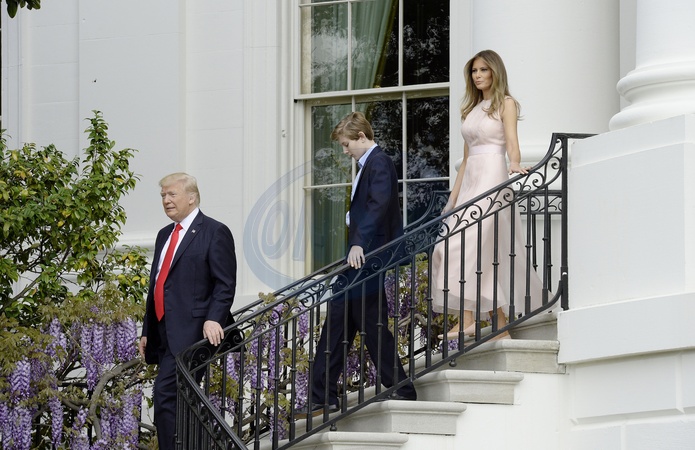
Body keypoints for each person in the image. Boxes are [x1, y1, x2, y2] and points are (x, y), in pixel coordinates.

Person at [298, 112, 417, 418]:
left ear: (361, 137)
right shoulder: (368, 165)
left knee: (371, 324)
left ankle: (400, 388)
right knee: (340, 320)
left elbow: (378, 205)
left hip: (368, 256)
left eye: (346, 144)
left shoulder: (379, 162)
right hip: (360, 258)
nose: (344, 150)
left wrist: (359, 243)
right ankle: (322, 395)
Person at [431, 50, 544, 340]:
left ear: (495, 72)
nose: (478, 75)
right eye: (474, 71)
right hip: (471, 179)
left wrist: (514, 164)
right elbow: (466, 159)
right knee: (454, 247)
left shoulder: (506, 103)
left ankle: (474, 320)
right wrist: (452, 199)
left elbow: (511, 142)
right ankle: (490, 323)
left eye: (483, 70)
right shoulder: (471, 109)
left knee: (472, 246)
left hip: (493, 175)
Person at [138, 172, 237, 450]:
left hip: (193, 332)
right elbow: (157, 284)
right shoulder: (164, 235)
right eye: (163, 196)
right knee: (183, 400)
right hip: (163, 331)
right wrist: (147, 330)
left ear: (192, 197)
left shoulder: (214, 231)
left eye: (172, 194)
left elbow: (225, 283)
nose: (166, 200)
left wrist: (214, 318)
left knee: (166, 393)